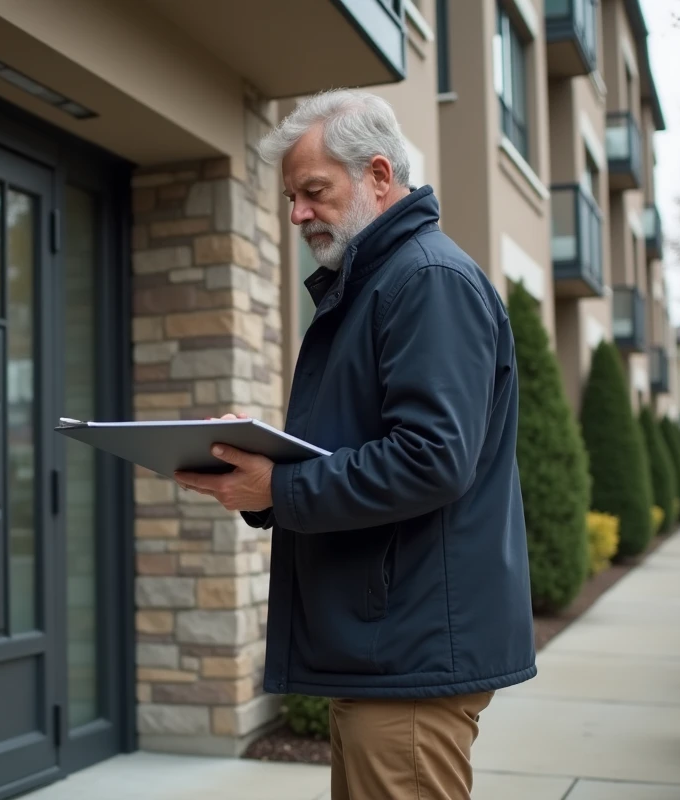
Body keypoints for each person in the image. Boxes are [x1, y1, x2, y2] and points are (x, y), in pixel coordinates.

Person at [173, 89, 536, 799]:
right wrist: (265, 462)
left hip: (407, 651)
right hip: (385, 649)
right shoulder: (377, 284)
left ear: (377, 174)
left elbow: (431, 459)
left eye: (314, 191)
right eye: (292, 197)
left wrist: (279, 488)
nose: (297, 213)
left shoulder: (425, 280)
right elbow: (371, 444)